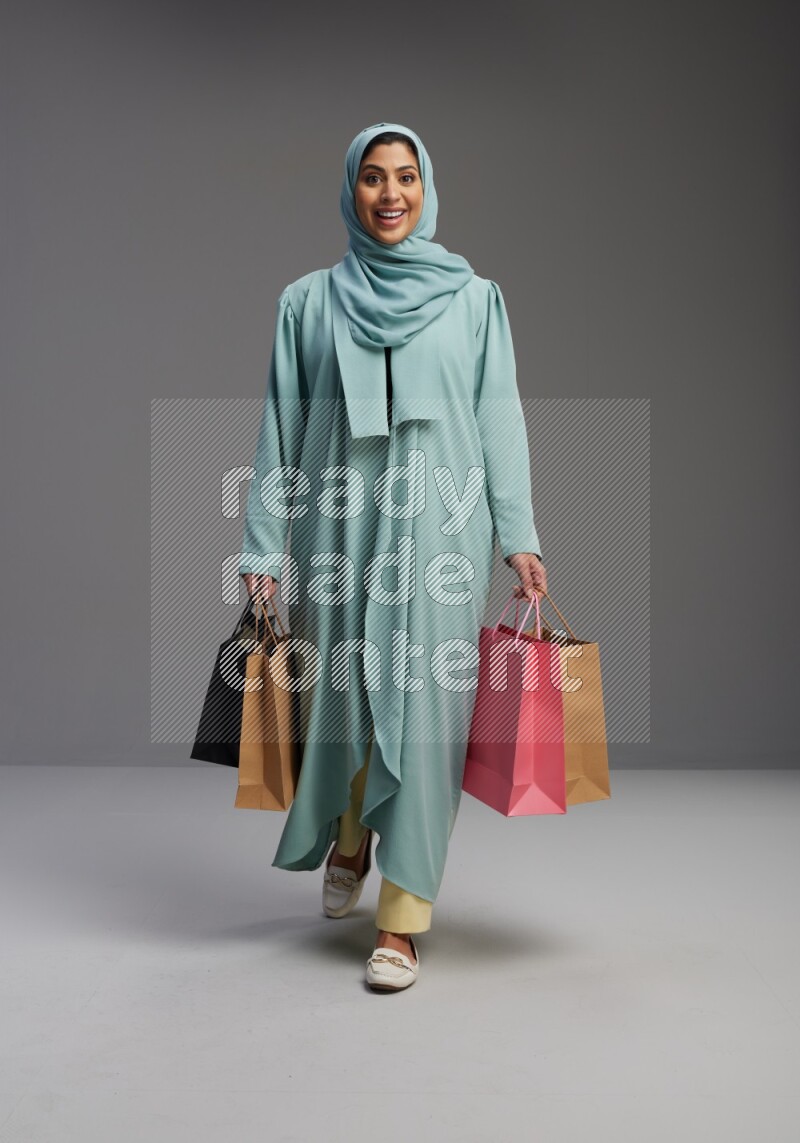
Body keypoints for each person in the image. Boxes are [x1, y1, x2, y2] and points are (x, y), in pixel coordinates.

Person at [239, 121, 547, 992]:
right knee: (345, 703)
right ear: (351, 188)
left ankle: (404, 918)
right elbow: (281, 430)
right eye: (373, 177)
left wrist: (518, 535)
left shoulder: (474, 300)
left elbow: (501, 424)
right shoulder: (307, 303)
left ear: (427, 185)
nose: (390, 194)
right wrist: (260, 546)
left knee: (428, 718)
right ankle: (348, 833)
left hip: (442, 539)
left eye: (405, 176)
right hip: (339, 536)